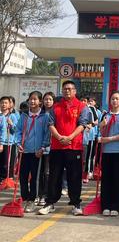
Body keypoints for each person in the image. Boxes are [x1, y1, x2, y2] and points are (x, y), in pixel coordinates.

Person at [39, 80, 90, 216]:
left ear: (75, 91)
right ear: (62, 90)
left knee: (75, 176)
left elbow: (82, 124)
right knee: (54, 176)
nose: (67, 91)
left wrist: (70, 137)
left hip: (74, 147)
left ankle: (76, 203)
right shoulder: (56, 107)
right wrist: (59, 137)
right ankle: (50, 202)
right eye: (65, 88)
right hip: (57, 147)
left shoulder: (82, 106)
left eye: (70, 89)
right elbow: (51, 124)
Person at [16, 91, 50, 213]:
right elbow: (18, 130)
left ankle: (32, 199)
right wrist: (19, 143)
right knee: (23, 176)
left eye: (35, 99)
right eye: (31, 99)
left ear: (40, 102)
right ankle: (24, 198)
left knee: (35, 177)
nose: (32, 101)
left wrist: (42, 148)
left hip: (38, 152)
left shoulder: (45, 116)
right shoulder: (24, 115)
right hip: (24, 151)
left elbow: (47, 133)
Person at [98, 91, 119, 216]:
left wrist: (109, 139)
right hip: (106, 152)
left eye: (117, 99)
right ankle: (105, 205)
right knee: (106, 179)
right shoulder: (105, 115)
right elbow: (100, 132)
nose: (114, 101)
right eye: (112, 99)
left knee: (117, 179)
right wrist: (101, 126)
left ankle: (115, 206)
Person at [0, 95, 18, 183]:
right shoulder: (0, 116)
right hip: (1, 142)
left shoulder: (12, 116)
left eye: (6, 103)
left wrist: (11, 124)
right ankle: (2, 177)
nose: (3, 104)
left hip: (9, 142)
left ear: (9, 105)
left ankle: (8, 178)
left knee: (7, 161)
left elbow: (16, 130)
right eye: (2, 103)